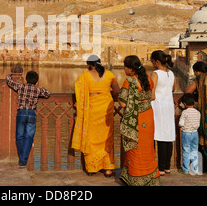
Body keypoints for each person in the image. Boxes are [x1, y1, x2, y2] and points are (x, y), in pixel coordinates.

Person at [71, 55, 120, 177]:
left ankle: (92, 168)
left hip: (91, 109)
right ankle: (108, 169)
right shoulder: (109, 75)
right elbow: (117, 91)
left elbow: (78, 89)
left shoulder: (85, 76)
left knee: (91, 137)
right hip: (106, 108)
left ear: (89, 64)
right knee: (107, 137)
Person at [119, 55, 161, 186]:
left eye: (125, 67)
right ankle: (151, 176)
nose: (124, 69)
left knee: (135, 147)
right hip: (148, 116)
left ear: (130, 69)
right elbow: (152, 97)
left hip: (136, 118)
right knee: (147, 147)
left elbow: (122, 104)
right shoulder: (148, 79)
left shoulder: (129, 81)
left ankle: (136, 176)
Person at [6, 68, 50, 168]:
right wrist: (41, 88)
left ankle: (21, 158)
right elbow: (47, 94)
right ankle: (23, 160)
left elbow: (10, 82)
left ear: (25, 80)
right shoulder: (37, 90)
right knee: (29, 137)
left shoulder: (21, 87)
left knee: (19, 136)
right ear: (37, 81)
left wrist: (9, 75)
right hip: (31, 113)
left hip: (21, 113)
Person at [150, 50, 176, 176]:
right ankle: (167, 166)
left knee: (159, 136)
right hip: (169, 106)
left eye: (152, 61)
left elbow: (152, 92)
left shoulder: (156, 74)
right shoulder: (170, 73)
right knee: (168, 136)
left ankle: (160, 167)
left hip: (158, 106)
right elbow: (173, 89)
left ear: (157, 62)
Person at [178, 93, 201, 175]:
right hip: (195, 133)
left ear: (184, 103)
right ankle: (195, 169)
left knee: (186, 151)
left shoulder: (185, 112)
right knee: (194, 151)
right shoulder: (197, 112)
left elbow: (181, 123)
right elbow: (198, 124)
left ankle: (185, 169)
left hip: (186, 133)